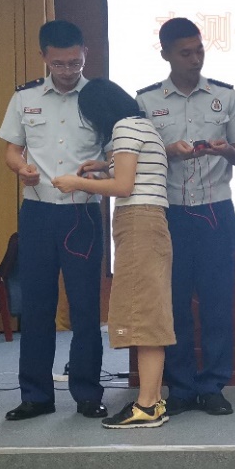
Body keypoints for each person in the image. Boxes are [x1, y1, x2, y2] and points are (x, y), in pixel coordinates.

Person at [137, 17, 235, 417]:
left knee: (216, 303)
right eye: (185, 53)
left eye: (199, 50)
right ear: (166, 54)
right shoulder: (146, 101)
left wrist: (225, 150)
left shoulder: (226, 96)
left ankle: (213, 385)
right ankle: (182, 387)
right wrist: (168, 151)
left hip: (215, 211)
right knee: (172, 303)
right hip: (168, 212)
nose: (195, 59)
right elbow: (135, 159)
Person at [0, 20, 106, 421]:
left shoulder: (100, 98)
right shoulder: (25, 98)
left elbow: (119, 153)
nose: (67, 71)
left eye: (75, 62)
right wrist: (20, 168)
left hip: (83, 211)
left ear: (84, 54)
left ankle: (87, 393)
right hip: (38, 213)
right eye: (59, 64)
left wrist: (101, 167)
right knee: (37, 306)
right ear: (43, 57)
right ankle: (36, 395)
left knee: (85, 308)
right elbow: (12, 150)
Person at [50, 79, 174, 429]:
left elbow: (124, 186)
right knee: (149, 313)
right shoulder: (143, 126)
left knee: (142, 316)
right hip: (151, 223)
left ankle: (147, 406)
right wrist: (104, 166)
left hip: (138, 223)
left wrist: (77, 182)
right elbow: (136, 173)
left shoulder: (124, 129)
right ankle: (152, 402)